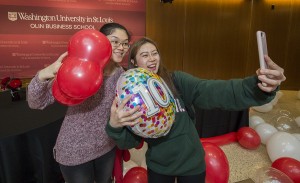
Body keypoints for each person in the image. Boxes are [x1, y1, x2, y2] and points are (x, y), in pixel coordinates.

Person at [105, 37, 286, 183]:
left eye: (155, 53)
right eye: (145, 55)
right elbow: (128, 142)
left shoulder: (176, 81)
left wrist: (258, 87)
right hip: (159, 167)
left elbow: (214, 91)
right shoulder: (132, 97)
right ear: (135, 63)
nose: (152, 58)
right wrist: (114, 125)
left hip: (192, 164)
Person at [27, 22, 131, 183]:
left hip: (106, 147)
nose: (121, 47)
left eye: (125, 43)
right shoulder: (80, 68)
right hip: (75, 151)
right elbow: (36, 102)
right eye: (115, 41)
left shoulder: (122, 75)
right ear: (100, 41)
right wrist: (45, 73)